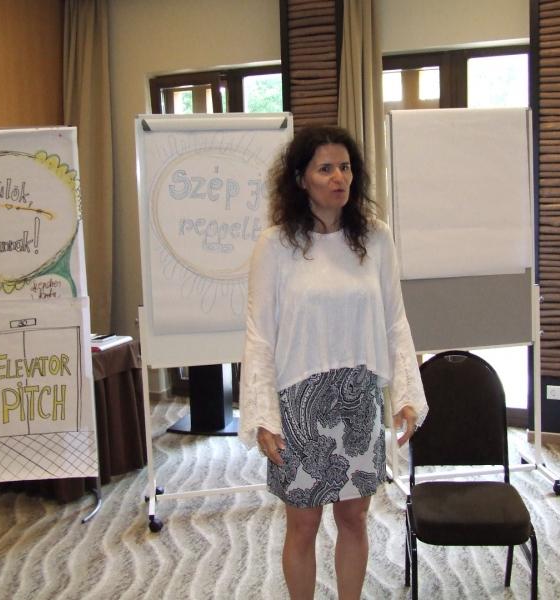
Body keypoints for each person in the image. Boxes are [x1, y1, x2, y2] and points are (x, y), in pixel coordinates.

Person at [239, 125, 428, 600]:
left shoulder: (376, 239)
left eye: (344, 167)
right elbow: (259, 336)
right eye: (325, 168)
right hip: (298, 404)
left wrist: (405, 394)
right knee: (303, 526)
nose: (338, 177)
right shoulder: (275, 245)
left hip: (359, 399)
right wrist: (263, 415)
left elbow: (395, 320)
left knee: (354, 519)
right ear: (300, 179)